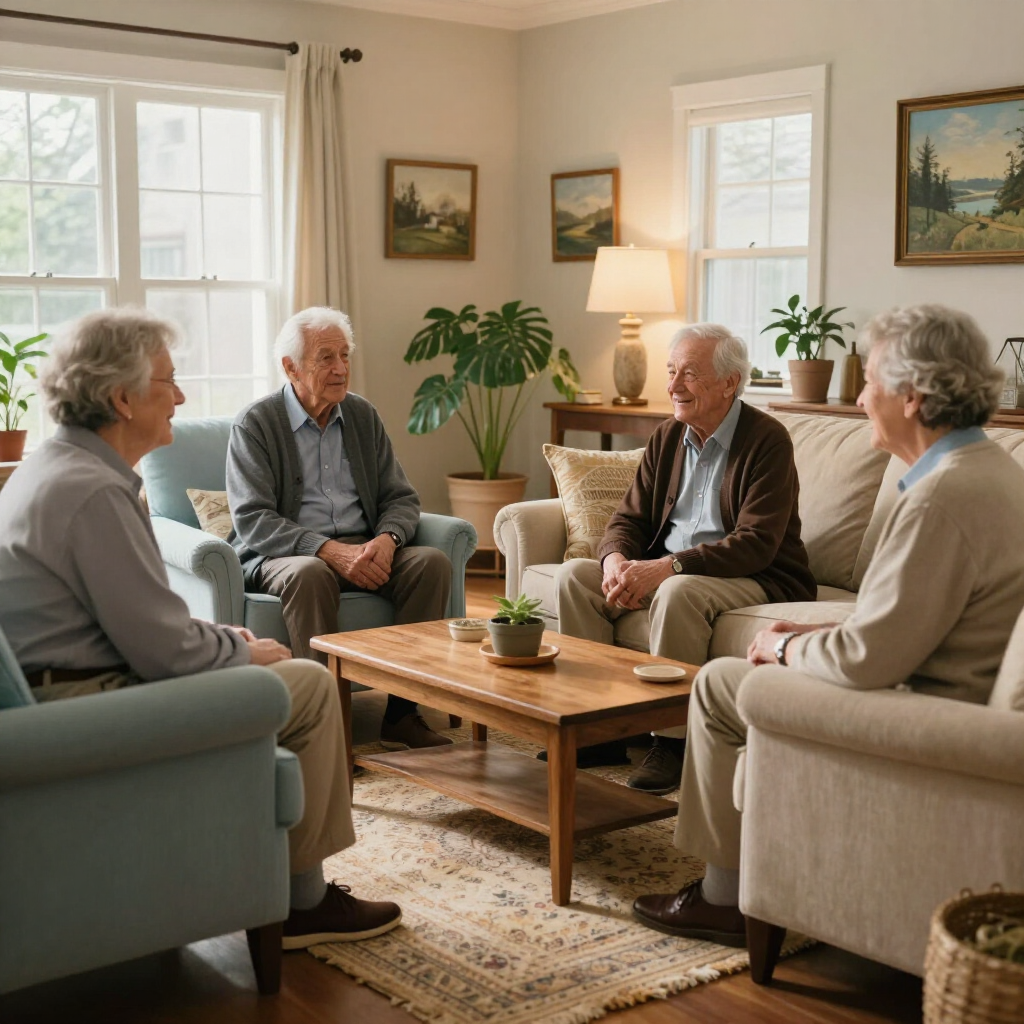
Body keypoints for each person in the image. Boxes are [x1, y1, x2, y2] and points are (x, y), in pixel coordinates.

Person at [0, 308, 401, 949]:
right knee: (310, 684)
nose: (181, 396)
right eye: (168, 380)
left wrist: (226, 642)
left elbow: (136, 620)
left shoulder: (58, 470)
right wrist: (239, 650)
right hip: (82, 703)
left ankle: (290, 884)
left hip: (73, 684)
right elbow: (161, 652)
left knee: (269, 659)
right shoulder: (93, 493)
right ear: (121, 398)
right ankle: (304, 903)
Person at [632, 304, 1024, 946]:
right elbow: (894, 629)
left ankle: (723, 897)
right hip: (942, 692)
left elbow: (870, 659)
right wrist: (812, 639)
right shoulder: (990, 472)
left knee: (720, 686)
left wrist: (785, 649)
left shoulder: (939, 497)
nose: (863, 396)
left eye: (870, 380)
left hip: (919, 714)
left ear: (913, 395)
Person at [554, 323, 814, 792]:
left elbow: (756, 541)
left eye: (688, 374)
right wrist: (615, 561)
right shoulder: (668, 437)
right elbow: (626, 521)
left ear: (729, 382)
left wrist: (665, 567)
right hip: (674, 567)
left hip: (754, 571)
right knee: (576, 576)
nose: (673, 386)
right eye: (671, 371)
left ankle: (672, 742)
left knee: (678, 591)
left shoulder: (767, 440)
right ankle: (595, 728)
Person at [226, 307, 453, 751]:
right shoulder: (255, 423)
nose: (340, 368)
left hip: (364, 545)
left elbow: (400, 497)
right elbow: (252, 517)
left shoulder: (362, 416)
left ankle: (403, 713)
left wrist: (388, 540)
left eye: (344, 355)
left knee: (431, 562)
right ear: (290, 367)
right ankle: (323, 724)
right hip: (283, 554)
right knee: (308, 574)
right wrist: (328, 551)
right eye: (326, 357)